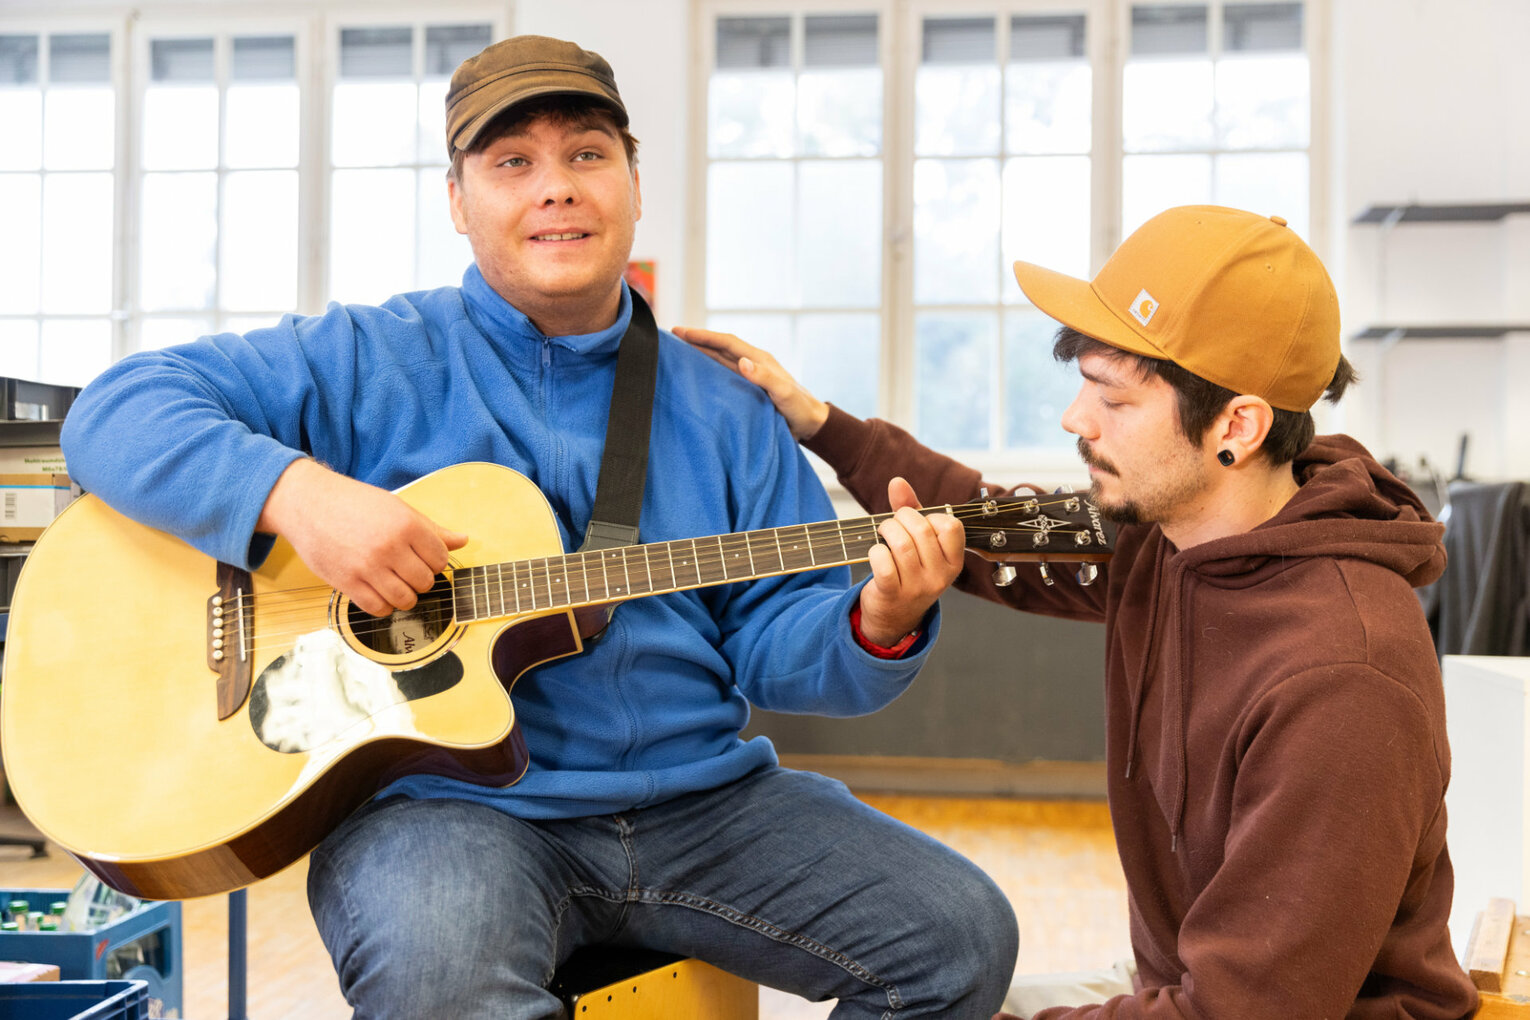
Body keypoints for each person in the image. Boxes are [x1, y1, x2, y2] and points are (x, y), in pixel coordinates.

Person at [59, 34, 1019, 1019]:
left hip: (705, 805)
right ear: (458, 201)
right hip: (445, 810)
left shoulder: (730, 409)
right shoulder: (366, 356)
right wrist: (297, 495)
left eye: (588, 154)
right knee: (443, 979)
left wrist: (878, 618)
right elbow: (116, 411)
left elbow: (781, 648)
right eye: (512, 162)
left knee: (959, 939)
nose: (556, 188)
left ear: (635, 185)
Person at [678, 204, 1479, 1019]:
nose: (1074, 419)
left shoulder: (1343, 675)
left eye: (1115, 401)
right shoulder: (1169, 533)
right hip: (1181, 994)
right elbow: (991, 524)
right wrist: (821, 423)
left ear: (1238, 424)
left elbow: (1245, 1011)